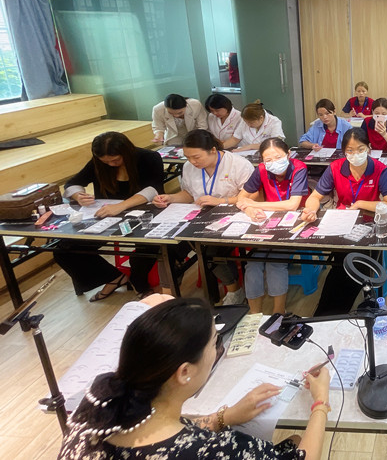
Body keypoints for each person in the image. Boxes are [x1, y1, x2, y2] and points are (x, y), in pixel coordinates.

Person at [58, 297, 329, 460]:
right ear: (184, 372)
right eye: (214, 343)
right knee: (297, 441)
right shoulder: (215, 450)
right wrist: (320, 402)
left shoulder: (101, 397)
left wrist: (225, 417)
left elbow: (165, 429)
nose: (217, 350)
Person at [55, 132, 166, 301]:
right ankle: (114, 278)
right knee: (64, 250)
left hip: (144, 213)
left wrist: (121, 206)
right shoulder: (99, 163)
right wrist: (78, 195)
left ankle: (139, 282)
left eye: (115, 160)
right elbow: (72, 183)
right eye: (105, 162)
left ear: (126, 152)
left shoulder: (148, 157)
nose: (111, 164)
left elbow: (153, 189)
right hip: (107, 216)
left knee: (148, 245)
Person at [300, 128, 387, 315]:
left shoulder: (379, 169)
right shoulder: (336, 167)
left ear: (368, 148)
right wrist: (310, 209)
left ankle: (331, 315)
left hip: (370, 226)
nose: (355, 154)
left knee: (354, 266)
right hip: (341, 223)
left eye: (360, 149)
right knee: (341, 266)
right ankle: (325, 315)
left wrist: (360, 203)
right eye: (350, 150)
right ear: (344, 151)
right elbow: (315, 196)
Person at [152, 130, 253, 305]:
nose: (192, 162)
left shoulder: (239, 164)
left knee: (212, 251)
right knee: (168, 247)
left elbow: (252, 196)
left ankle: (234, 290)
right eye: (188, 157)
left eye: (196, 157)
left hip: (232, 216)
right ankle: (167, 298)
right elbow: (189, 194)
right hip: (198, 217)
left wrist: (220, 201)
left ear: (213, 150)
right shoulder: (189, 167)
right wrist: (171, 198)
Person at [235, 138, 309, 314]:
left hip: (295, 222)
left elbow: (292, 205)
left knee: (275, 263)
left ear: (288, 154)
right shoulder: (261, 170)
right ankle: (254, 315)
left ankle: (278, 312)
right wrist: (250, 210)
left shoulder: (299, 168)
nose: (273, 163)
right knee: (253, 264)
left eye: (278, 157)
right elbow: (241, 198)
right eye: (268, 160)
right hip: (268, 222)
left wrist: (255, 205)